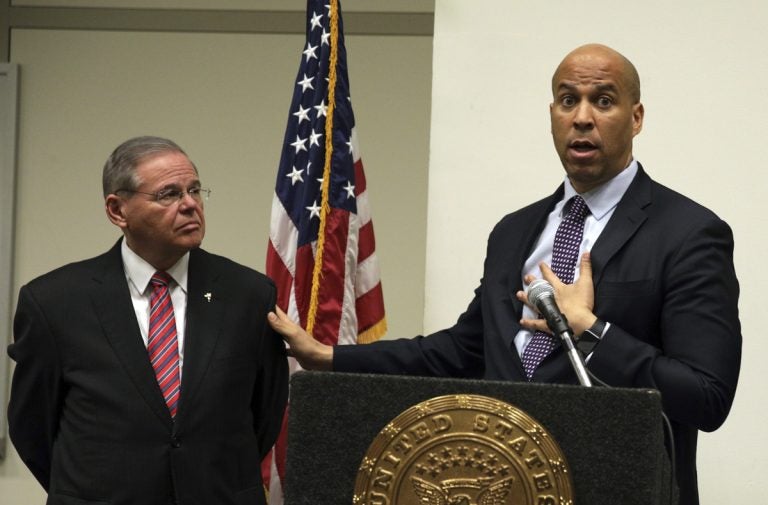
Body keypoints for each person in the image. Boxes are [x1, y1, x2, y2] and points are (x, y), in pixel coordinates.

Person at [267, 44, 741, 505]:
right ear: (552, 112)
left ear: (636, 118)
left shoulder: (689, 233)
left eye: (603, 101)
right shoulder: (514, 232)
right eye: (567, 99)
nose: (581, 117)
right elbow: (460, 351)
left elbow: (706, 397)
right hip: (509, 481)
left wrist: (591, 330)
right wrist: (329, 356)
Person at [7, 136, 289, 505]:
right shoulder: (54, 302)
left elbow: (264, 416)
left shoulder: (249, 295)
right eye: (169, 194)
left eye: (194, 189)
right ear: (117, 210)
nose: (190, 205)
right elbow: (33, 428)